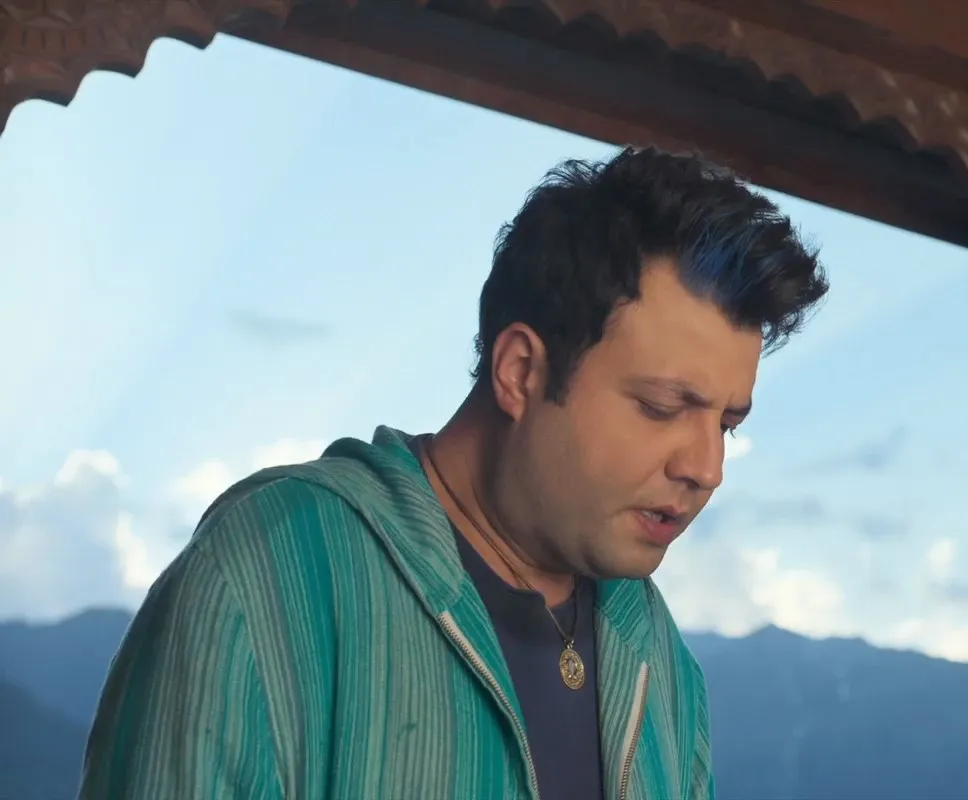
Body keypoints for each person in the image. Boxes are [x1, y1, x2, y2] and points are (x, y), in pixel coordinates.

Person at [80, 146, 829, 799]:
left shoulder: (655, 653)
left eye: (727, 424)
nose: (706, 469)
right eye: (663, 408)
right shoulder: (273, 572)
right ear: (520, 371)